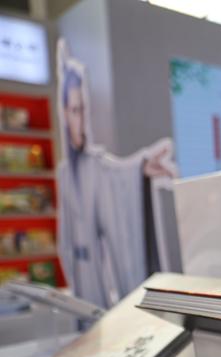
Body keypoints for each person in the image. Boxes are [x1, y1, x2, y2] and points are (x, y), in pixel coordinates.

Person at [57, 45, 176, 309]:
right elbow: (65, 238)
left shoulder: (97, 165)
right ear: (64, 113)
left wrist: (140, 169)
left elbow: (117, 180)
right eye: (74, 111)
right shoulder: (65, 173)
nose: (80, 120)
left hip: (100, 286)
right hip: (80, 278)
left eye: (82, 110)